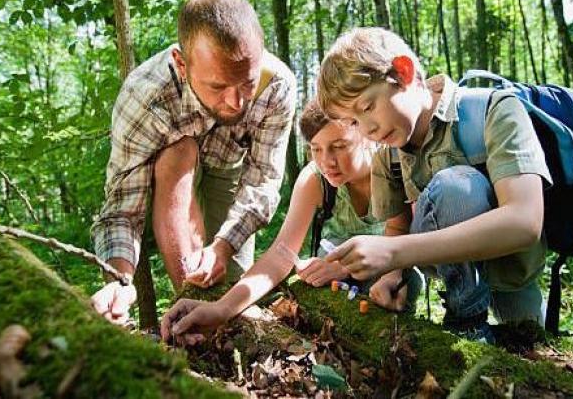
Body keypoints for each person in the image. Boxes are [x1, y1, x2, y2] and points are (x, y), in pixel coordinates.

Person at [318, 27, 551, 342]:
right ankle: (467, 324)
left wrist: (395, 253)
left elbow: (525, 221)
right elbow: (397, 229)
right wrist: (392, 274)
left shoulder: (495, 110)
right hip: (458, 284)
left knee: (533, 353)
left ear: (403, 71)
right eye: (354, 123)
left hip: (512, 272)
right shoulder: (387, 156)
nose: (368, 129)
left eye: (368, 107)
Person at [90, 0, 297, 324]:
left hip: (229, 171)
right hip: (170, 177)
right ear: (182, 64)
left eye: (247, 83)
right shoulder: (145, 97)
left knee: (231, 290)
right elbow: (122, 210)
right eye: (218, 86)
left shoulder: (278, 86)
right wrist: (120, 280)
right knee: (179, 151)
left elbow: (262, 180)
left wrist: (223, 247)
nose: (236, 102)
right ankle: (189, 301)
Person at [160, 100, 417, 345]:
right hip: (334, 289)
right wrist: (221, 309)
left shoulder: (391, 167)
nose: (327, 160)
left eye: (339, 146)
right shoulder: (315, 180)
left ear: (365, 132)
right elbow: (280, 255)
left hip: (390, 275)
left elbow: (402, 237)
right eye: (316, 149)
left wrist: (346, 267)